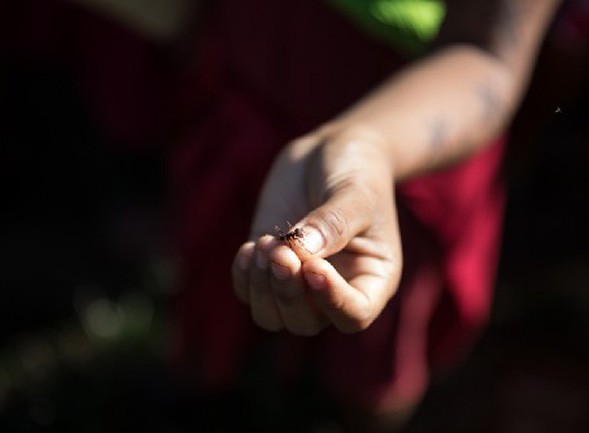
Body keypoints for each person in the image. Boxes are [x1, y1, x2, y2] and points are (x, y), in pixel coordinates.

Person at [169, 0, 563, 431]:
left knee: (374, 344)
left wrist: (368, 144)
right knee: (230, 288)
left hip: (412, 134)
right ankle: (219, 383)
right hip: (250, 75)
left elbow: (489, 54)